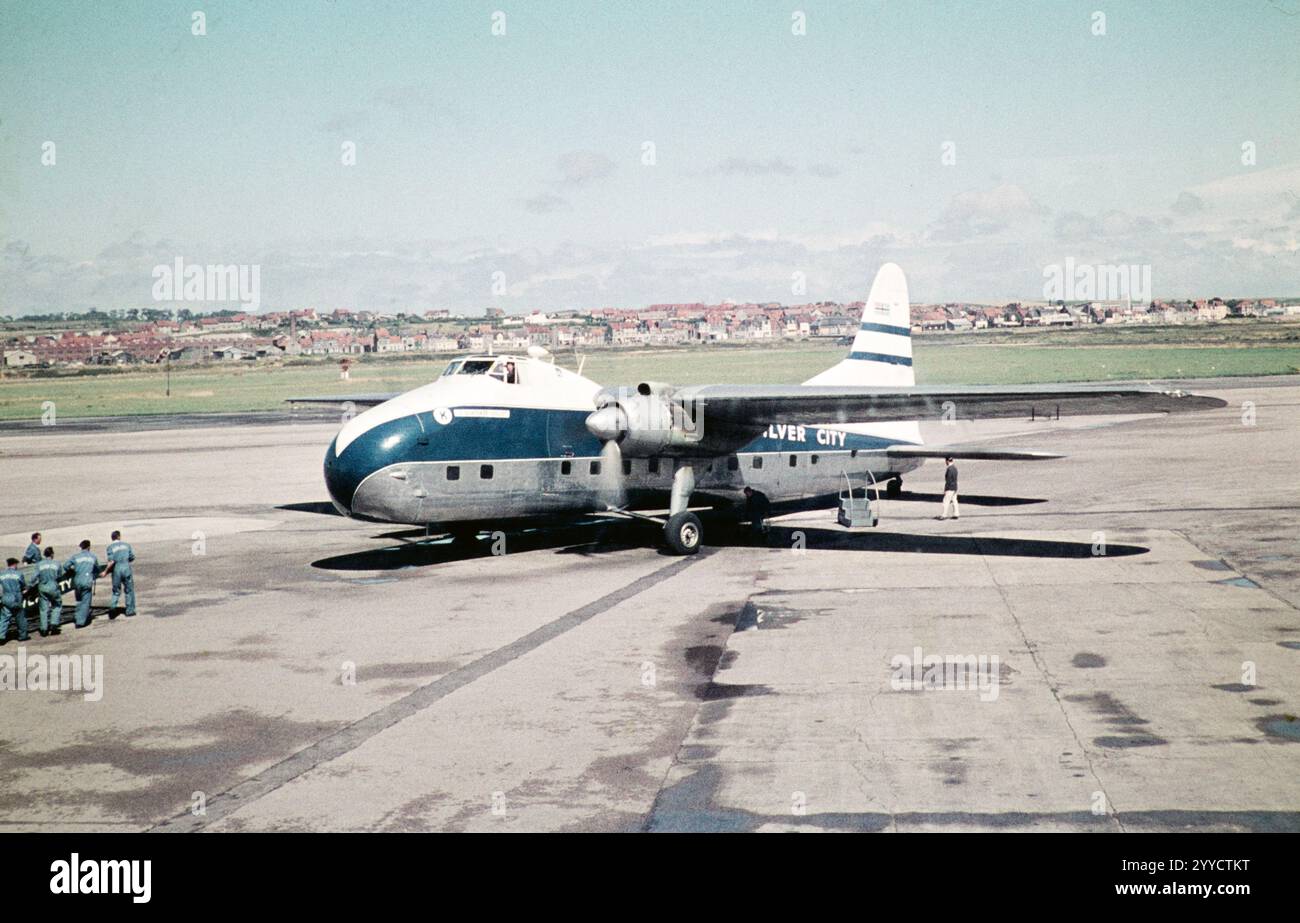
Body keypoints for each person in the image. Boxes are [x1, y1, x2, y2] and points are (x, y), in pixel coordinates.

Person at [63, 540, 106, 629]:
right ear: (89, 547)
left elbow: (66, 566)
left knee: (79, 600)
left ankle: (78, 617)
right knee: (86, 601)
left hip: (77, 581)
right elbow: (97, 569)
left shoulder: (75, 557)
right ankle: (80, 622)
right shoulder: (93, 557)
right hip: (87, 581)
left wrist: (73, 569)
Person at [105, 530, 136, 618]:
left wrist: (106, 571)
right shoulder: (126, 545)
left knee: (116, 591)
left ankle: (113, 607)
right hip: (126, 568)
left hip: (116, 570)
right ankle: (130, 610)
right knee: (129, 590)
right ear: (119, 536)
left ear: (112, 538)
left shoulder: (110, 547)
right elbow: (132, 557)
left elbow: (111, 561)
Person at [0, 558, 31, 644]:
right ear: (14, 564)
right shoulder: (18, 574)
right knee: (20, 618)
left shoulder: (1, 574)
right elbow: (23, 585)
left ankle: (1, 636)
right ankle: (22, 636)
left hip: (6, 597)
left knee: (4, 618)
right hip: (16, 598)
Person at [35, 547, 64, 636]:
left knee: (43, 609)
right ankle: (54, 623)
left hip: (42, 587)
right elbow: (60, 575)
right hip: (53, 586)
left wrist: (28, 586)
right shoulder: (57, 563)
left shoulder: (39, 564)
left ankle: (44, 628)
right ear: (52, 554)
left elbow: (34, 577)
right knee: (57, 605)